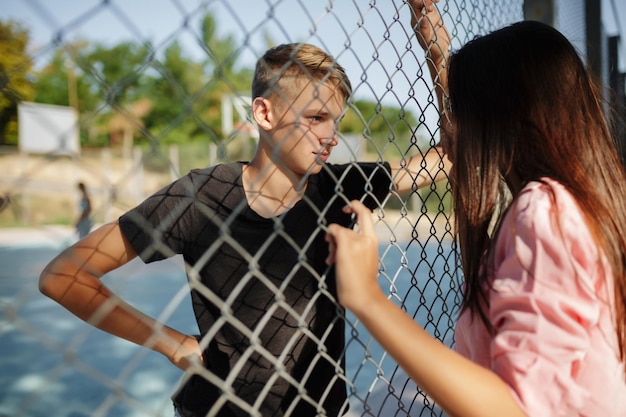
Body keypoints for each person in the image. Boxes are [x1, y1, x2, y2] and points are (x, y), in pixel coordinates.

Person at [39, 40, 450, 416]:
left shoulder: (338, 186)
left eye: (335, 121)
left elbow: (446, 158)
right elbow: (63, 276)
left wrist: (434, 44)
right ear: (264, 113)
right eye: (316, 117)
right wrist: (171, 343)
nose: (329, 135)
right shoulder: (201, 197)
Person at [325, 1, 626, 416]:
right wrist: (436, 45)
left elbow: (513, 408)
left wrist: (367, 297)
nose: (451, 127)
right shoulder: (589, 200)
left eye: (462, 111)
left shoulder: (544, 211)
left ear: (499, 119)